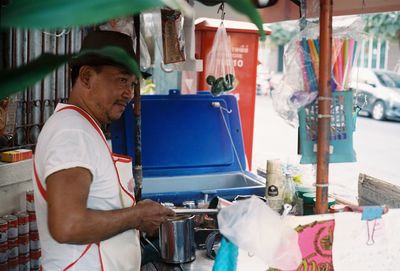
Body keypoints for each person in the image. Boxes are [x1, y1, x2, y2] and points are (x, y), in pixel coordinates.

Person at [33, 30, 175, 270]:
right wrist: (137, 216)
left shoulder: (84, 127)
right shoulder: (72, 132)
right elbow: (69, 225)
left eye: (132, 83)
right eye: (121, 80)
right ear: (87, 77)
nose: (129, 94)